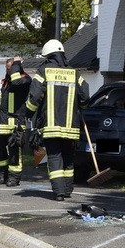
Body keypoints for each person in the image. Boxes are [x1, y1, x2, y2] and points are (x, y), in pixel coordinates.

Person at [22, 39, 90, 201]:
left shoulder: (44, 71)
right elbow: (85, 96)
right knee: (68, 157)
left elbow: (35, 97)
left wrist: (27, 113)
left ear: (48, 55)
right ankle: (67, 190)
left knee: (54, 157)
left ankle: (59, 192)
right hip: (71, 126)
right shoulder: (74, 72)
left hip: (51, 125)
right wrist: (82, 106)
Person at [0, 56, 29, 186]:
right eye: (7, 68)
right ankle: (3, 174)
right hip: (2, 122)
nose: (8, 70)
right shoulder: (7, 82)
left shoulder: (24, 80)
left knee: (15, 151)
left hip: (15, 123)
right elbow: (2, 97)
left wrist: (17, 64)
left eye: (10, 68)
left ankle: (14, 177)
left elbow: (16, 84)